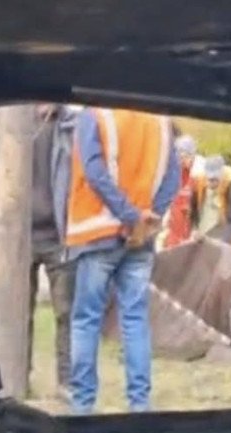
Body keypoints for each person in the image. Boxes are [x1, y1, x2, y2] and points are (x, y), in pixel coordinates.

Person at [66, 107, 179, 413]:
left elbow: (94, 172)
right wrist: (147, 218)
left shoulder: (95, 115)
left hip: (97, 232)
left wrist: (129, 216)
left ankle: (82, 406)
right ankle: (140, 404)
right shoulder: (160, 119)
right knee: (135, 319)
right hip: (141, 239)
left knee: (87, 320)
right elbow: (173, 175)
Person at [28, 104, 77, 400]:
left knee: (65, 312)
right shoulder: (8, 125)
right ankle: (16, 377)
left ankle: (66, 381)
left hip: (59, 235)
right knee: (18, 313)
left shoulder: (71, 126)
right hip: (16, 237)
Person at [198, 155, 231, 248]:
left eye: (215, 179)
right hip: (222, 227)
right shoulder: (201, 179)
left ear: (221, 173)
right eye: (209, 179)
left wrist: (225, 243)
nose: (211, 183)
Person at [164, 133, 199, 247]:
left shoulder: (198, 175)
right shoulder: (173, 174)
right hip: (173, 232)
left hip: (189, 232)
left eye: (184, 156)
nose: (182, 161)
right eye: (179, 157)